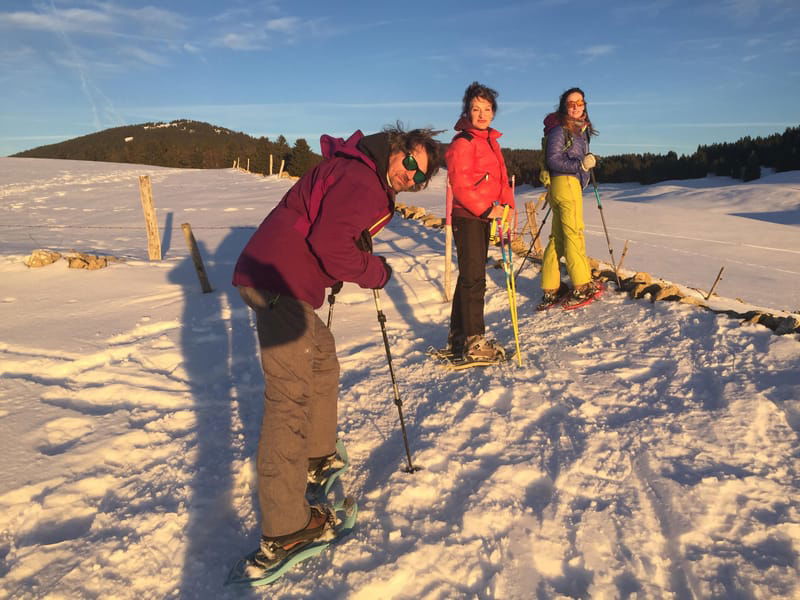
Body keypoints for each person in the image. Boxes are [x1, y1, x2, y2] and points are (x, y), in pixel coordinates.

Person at [232, 125, 441, 572]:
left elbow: (329, 233)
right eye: (410, 164)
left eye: (420, 178)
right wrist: (374, 270)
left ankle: (317, 455)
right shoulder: (364, 180)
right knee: (288, 401)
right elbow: (330, 245)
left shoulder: (357, 170)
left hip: (281, 280)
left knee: (322, 360)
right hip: (279, 283)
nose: (411, 178)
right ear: (397, 150)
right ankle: (286, 530)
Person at [444, 81, 515, 361]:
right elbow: (460, 184)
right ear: (467, 111)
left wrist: (508, 206)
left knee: (469, 277)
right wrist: (486, 210)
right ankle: (474, 342)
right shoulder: (464, 142)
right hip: (469, 216)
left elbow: (500, 180)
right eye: (476, 109)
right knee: (475, 279)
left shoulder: (491, 142)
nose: (482, 114)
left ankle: (459, 337)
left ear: (493, 113)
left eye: (487, 109)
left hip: (483, 217)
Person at [537, 87, 603, 311]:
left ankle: (551, 288)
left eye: (580, 103)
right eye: (571, 103)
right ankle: (582, 285)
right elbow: (554, 159)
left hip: (560, 186)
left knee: (558, 238)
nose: (576, 107)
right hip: (566, 184)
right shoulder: (561, 130)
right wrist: (581, 165)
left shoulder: (575, 130)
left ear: (585, 105)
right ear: (564, 107)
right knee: (574, 234)